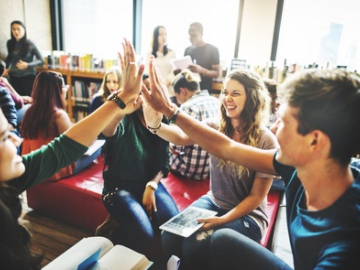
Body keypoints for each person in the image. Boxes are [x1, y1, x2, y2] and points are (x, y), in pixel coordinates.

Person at [142, 64, 360, 269]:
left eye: (283, 121)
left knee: (211, 241)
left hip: (249, 219)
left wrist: (171, 111)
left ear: (314, 141)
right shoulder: (292, 166)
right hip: (219, 203)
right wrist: (165, 115)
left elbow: (253, 190)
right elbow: (226, 147)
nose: (275, 128)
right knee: (177, 237)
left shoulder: (344, 247)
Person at [0, 38, 148, 270]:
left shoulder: (12, 180)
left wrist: (121, 98)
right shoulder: (58, 114)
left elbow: (62, 147)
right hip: (65, 170)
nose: (16, 139)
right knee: (95, 150)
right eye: (4, 137)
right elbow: (66, 148)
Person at [142, 68, 278, 269]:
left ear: (252, 98)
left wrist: (222, 220)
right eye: (225, 92)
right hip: (214, 201)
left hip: (249, 216)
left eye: (235, 93)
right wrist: (155, 126)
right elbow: (181, 137)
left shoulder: (267, 141)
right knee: (170, 236)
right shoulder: (216, 126)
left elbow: (257, 197)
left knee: (194, 245)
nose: (227, 98)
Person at [94, 65, 178, 264]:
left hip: (148, 185)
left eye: (152, 92)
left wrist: (152, 185)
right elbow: (107, 131)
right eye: (143, 92)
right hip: (118, 188)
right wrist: (120, 110)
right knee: (144, 235)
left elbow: (164, 163)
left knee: (173, 226)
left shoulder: (160, 121)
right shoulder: (125, 119)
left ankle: (120, 218)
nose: (148, 97)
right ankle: (110, 233)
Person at [169, 69, 220, 180]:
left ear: (183, 91)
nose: (177, 101)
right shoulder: (216, 101)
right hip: (211, 169)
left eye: (177, 96)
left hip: (189, 170)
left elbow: (175, 147)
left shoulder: (187, 107)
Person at [4, 21, 44, 97]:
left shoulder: (30, 43)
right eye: (13, 29)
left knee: (29, 99)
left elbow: (41, 60)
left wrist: (27, 65)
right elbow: (10, 57)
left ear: (24, 30)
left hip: (27, 76)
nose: (16, 32)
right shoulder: (10, 43)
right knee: (17, 100)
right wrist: (6, 67)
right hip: (14, 75)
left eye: (18, 29)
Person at [183, 22, 220, 92]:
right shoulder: (187, 50)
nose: (191, 38)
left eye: (194, 35)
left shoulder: (212, 50)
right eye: (190, 35)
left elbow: (217, 73)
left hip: (204, 90)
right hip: (188, 90)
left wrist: (202, 71)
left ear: (201, 34)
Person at [145, 25, 176, 103]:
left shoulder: (171, 53)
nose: (164, 37)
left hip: (170, 92)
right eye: (161, 34)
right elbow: (148, 73)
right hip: (156, 91)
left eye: (165, 34)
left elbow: (173, 72)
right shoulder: (150, 54)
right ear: (155, 37)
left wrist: (164, 86)